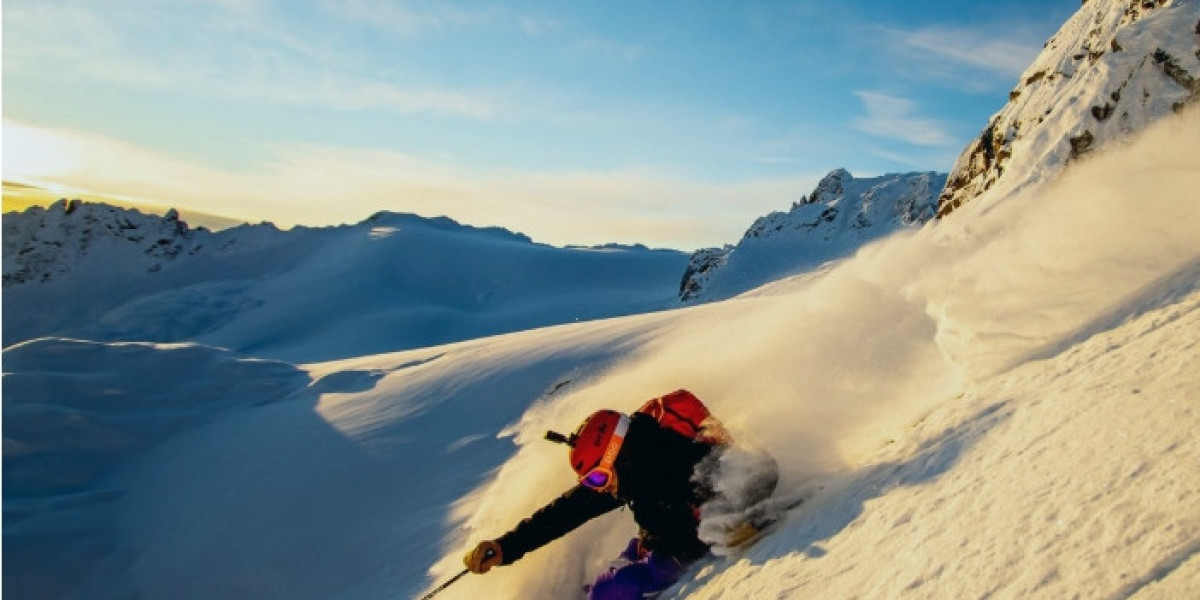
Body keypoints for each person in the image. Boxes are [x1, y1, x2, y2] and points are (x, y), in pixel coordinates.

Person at [462, 390, 775, 600]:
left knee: (609, 592)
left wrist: (738, 521)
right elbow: (563, 513)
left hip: (675, 552)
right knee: (596, 589)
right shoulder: (626, 477)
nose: (599, 487)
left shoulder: (685, 457)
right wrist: (505, 546)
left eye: (598, 477)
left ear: (620, 455)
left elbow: (760, 472)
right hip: (654, 542)